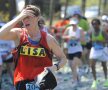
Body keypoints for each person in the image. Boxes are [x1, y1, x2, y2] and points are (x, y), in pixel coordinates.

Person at [0, 5, 67, 90]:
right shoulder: (18, 34)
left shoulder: (48, 39)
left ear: (38, 18)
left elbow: (63, 59)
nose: (25, 20)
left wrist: (55, 67)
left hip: (43, 82)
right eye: (23, 17)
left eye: (28, 17)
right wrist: (18, 18)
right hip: (22, 82)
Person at [62, 18, 85, 88]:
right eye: (72, 24)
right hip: (70, 50)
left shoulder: (80, 29)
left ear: (77, 24)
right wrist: (69, 37)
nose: (73, 25)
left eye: (74, 24)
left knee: (74, 64)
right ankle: (78, 79)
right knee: (72, 66)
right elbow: (63, 36)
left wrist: (77, 38)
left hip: (78, 49)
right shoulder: (69, 29)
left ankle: (74, 81)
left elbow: (83, 39)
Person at [89, 18, 108, 89]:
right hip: (94, 50)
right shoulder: (91, 32)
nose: (94, 25)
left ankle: (106, 79)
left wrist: (101, 41)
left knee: (104, 65)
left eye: (96, 24)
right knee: (92, 65)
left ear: (99, 24)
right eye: (93, 24)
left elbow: (107, 40)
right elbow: (90, 40)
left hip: (102, 50)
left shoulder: (102, 32)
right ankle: (94, 80)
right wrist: (92, 41)